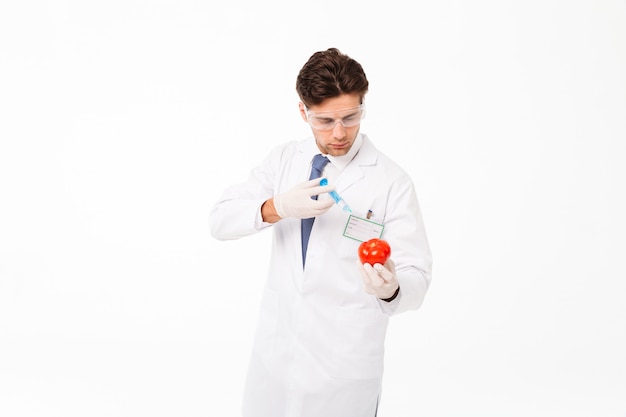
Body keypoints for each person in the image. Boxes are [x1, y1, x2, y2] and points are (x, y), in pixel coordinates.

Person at [209, 48, 432, 417]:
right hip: (277, 357)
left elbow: (417, 280)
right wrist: (276, 207)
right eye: (325, 121)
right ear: (303, 112)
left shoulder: (391, 182)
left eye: (351, 116)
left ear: (363, 106)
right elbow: (220, 220)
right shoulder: (283, 160)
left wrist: (391, 289)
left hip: (343, 366)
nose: (340, 132)